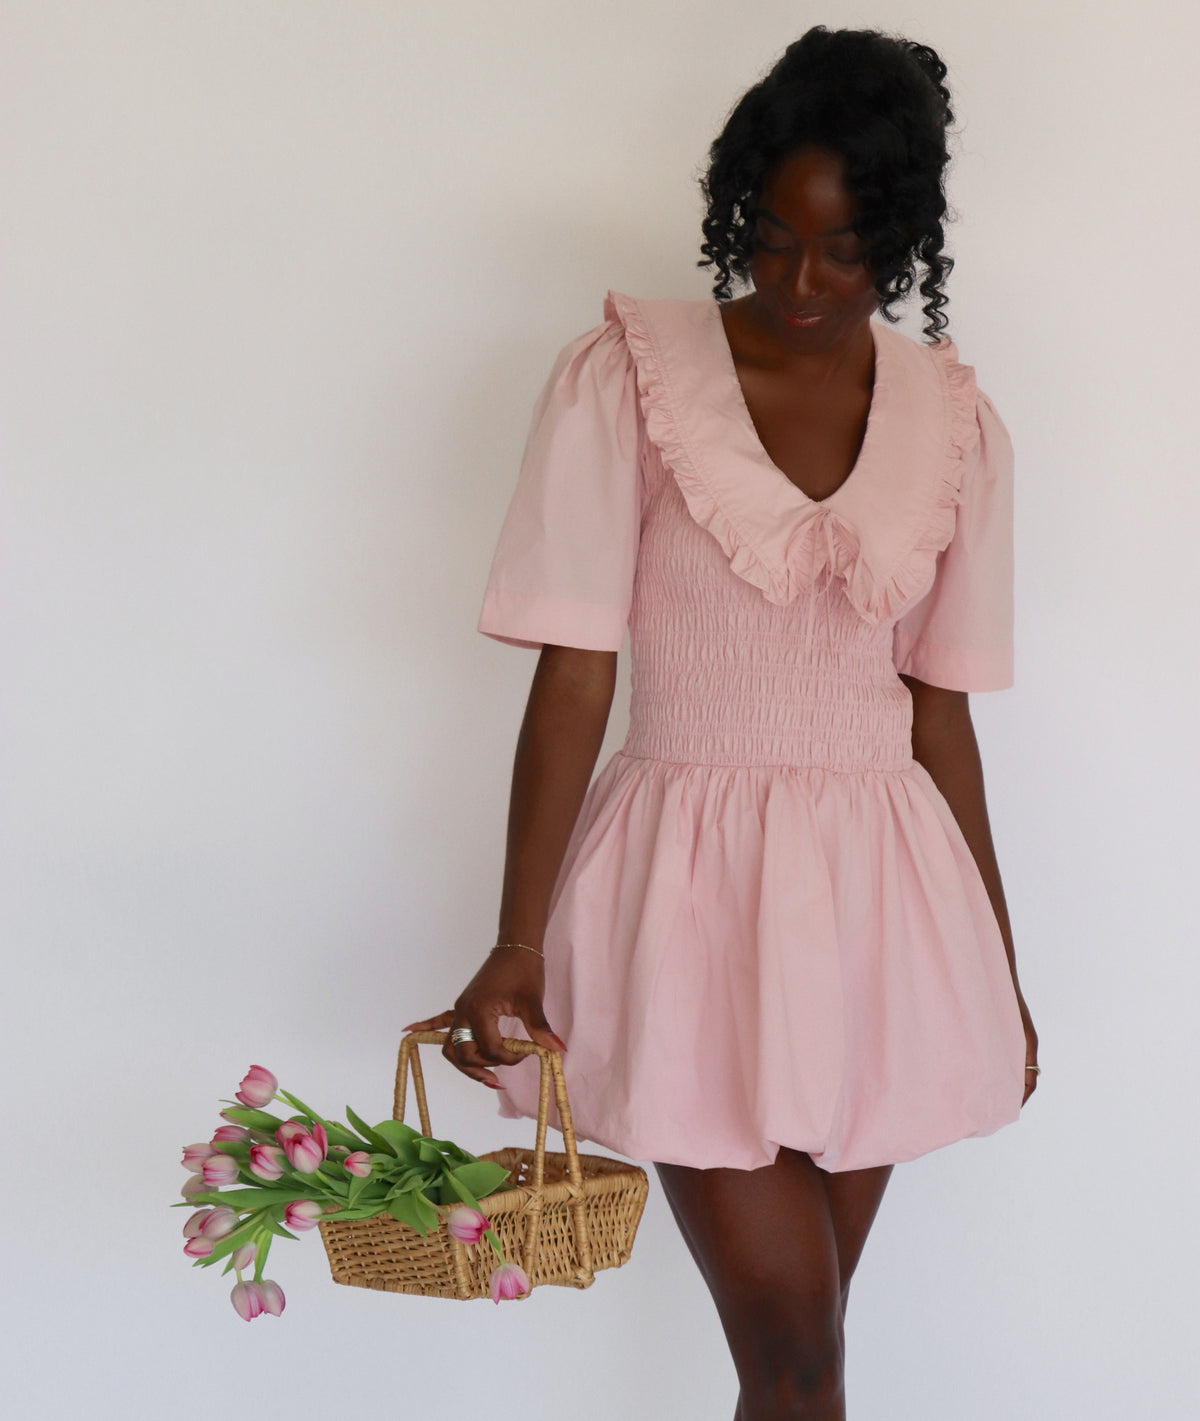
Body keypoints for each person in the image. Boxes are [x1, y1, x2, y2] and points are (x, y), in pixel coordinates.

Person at [404, 24, 1039, 1421]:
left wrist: (996, 957)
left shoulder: (956, 422)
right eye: (769, 239)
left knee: (806, 1352)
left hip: (885, 906)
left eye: (844, 248)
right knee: (797, 1351)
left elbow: (942, 715)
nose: (801, 282)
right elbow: (573, 678)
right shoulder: (627, 380)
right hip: (688, 896)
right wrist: (518, 938)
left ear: (903, 239)